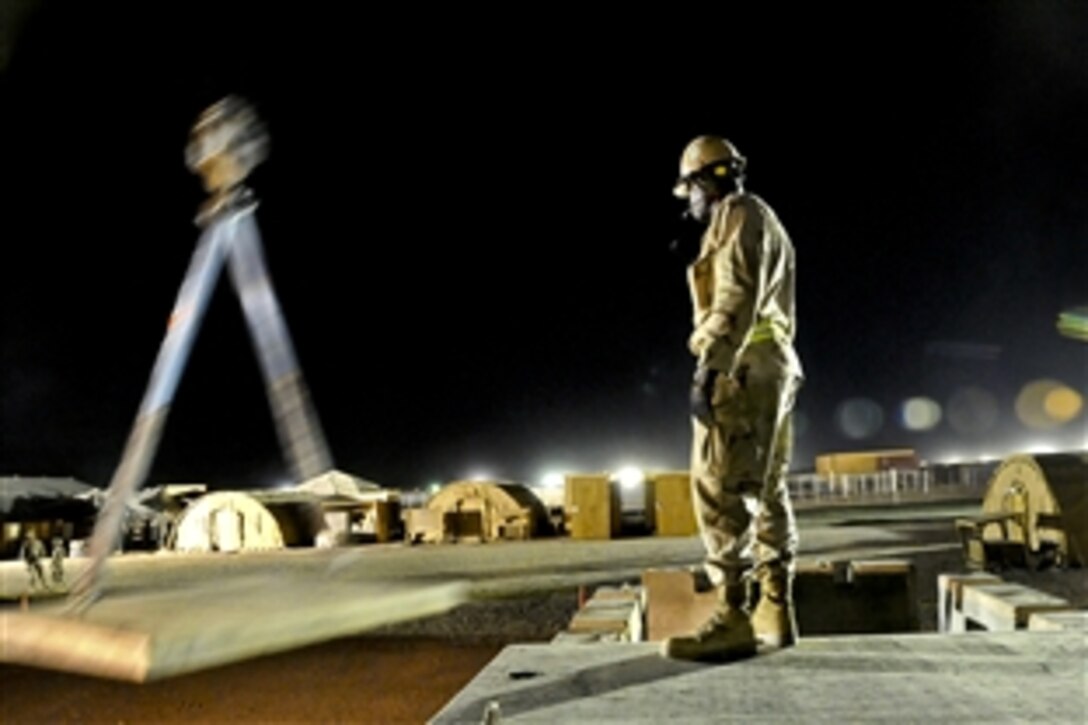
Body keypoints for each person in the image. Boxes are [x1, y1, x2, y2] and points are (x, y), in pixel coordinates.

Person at [662, 135, 804, 662]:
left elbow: (737, 297)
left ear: (704, 181)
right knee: (767, 485)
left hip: (743, 366)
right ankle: (776, 608)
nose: (689, 204)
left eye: (689, 191)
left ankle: (733, 615)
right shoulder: (760, 218)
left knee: (718, 488)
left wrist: (711, 367)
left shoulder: (739, 216)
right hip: (770, 363)